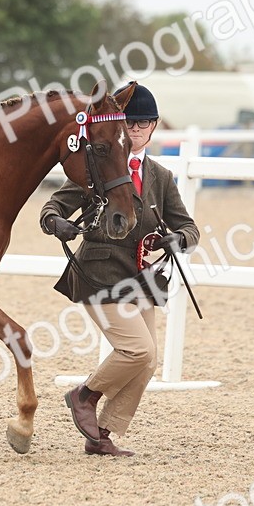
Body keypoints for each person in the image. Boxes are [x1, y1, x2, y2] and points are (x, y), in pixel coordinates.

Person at [40, 82, 200, 456]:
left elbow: (189, 227)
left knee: (147, 363)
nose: (137, 128)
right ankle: (84, 394)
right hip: (100, 273)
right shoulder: (99, 163)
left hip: (142, 278)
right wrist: (54, 222)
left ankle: (103, 434)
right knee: (138, 350)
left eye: (145, 122)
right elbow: (53, 207)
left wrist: (176, 240)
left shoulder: (161, 177)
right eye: (131, 122)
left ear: (155, 126)